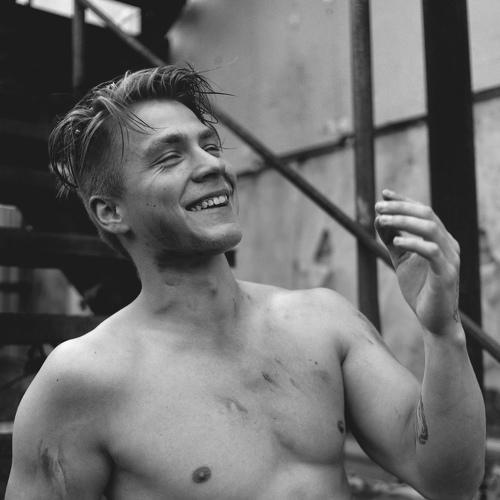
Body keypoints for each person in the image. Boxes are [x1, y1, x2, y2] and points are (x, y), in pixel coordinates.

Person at [6, 65, 485, 500]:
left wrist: (443, 332)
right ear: (110, 212)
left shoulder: (322, 321)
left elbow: (448, 482)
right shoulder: (81, 380)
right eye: (169, 158)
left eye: (210, 146)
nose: (212, 165)